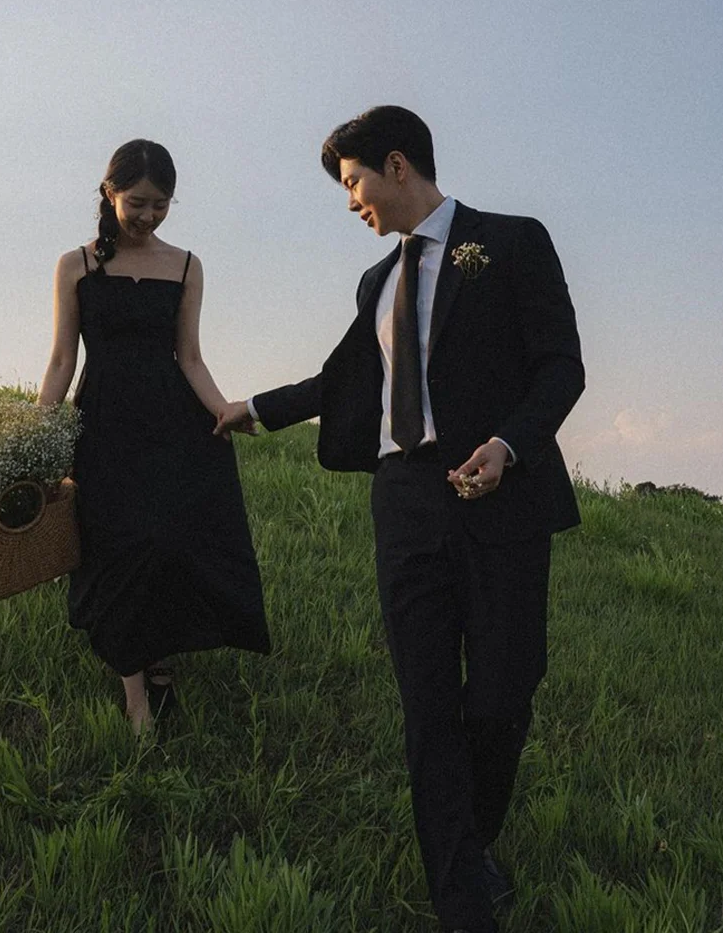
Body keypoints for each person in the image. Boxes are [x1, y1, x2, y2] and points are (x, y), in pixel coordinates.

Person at [215, 107, 584, 933]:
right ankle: (460, 901)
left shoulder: (513, 241)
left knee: (498, 699)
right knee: (426, 708)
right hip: (406, 504)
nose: (351, 203)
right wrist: (253, 410)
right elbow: (342, 380)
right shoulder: (376, 283)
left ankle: (473, 840)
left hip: (503, 497)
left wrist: (507, 445)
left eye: (352, 184)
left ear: (396, 165)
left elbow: (563, 366)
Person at [38, 139, 270, 735]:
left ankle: (159, 650)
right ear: (110, 192)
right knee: (116, 545)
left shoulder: (188, 266)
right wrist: (36, 432)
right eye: (137, 202)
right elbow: (64, 357)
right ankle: (138, 696)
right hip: (105, 421)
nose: (148, 216)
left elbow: (190, 356)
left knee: (168, 541)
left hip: (174, 421)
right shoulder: (77, 265)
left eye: (160, 205)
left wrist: (223, 410)